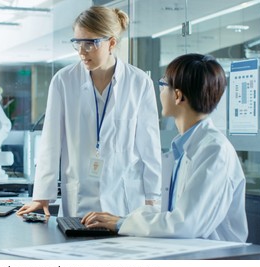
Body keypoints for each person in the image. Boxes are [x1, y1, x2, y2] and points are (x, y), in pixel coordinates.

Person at [82, 53, 248, 242]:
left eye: (163, 85)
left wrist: (121, 224)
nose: (159, 92)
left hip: (213, 259)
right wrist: (123, 220)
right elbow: (171, 214)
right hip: (183, 251)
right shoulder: (185, 149)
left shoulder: (215, 151)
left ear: (177, 95)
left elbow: (185, 224)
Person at [17, 6, 162, 217]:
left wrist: (153, 200)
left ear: (111, 43)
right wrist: (41, 196)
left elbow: (150, 147)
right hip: (79, 199)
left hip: (125, 201)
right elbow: (50, 142)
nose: (82, 52)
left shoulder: (139, 82)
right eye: (77, 43)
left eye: (90, 43)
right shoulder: (64, 81)